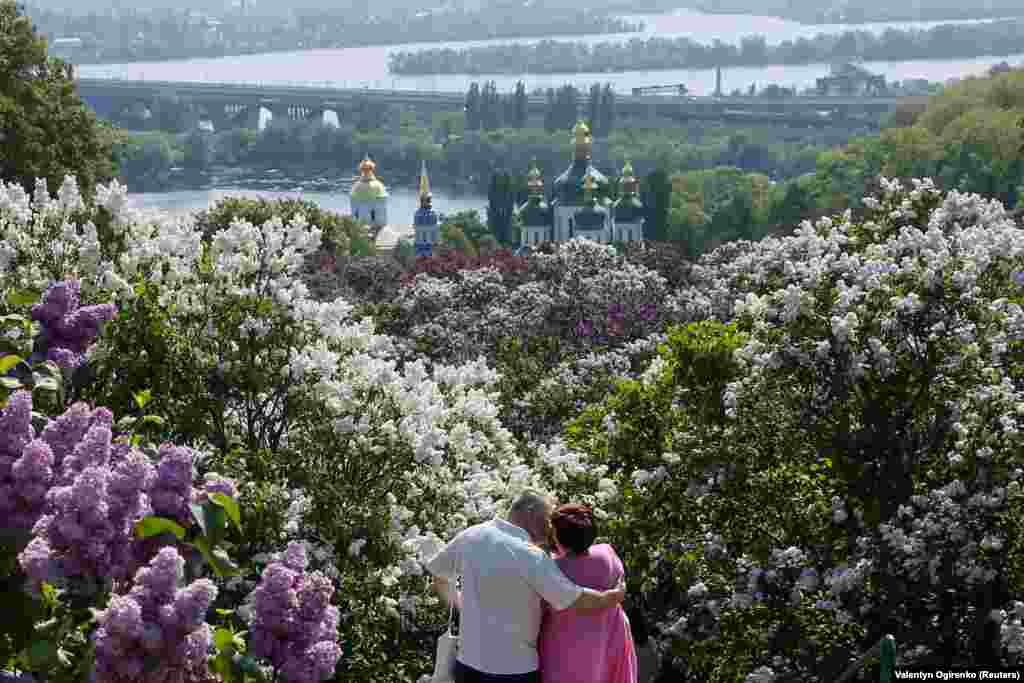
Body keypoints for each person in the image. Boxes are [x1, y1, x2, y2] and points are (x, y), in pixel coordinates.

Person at [427, 491, 627, 683]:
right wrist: (612, 597)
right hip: (514, 670)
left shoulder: (472, 535)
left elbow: (439, 575)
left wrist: (463, 606)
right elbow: (576, 600)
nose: (550, 528)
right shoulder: (530, 556)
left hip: (468, 663)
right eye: (548, 519)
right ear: (531, 512)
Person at [538, 504, 637, 683]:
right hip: (606, 645)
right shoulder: (607, 554)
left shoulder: (552, 568)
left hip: (563, 653)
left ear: (557, 536)